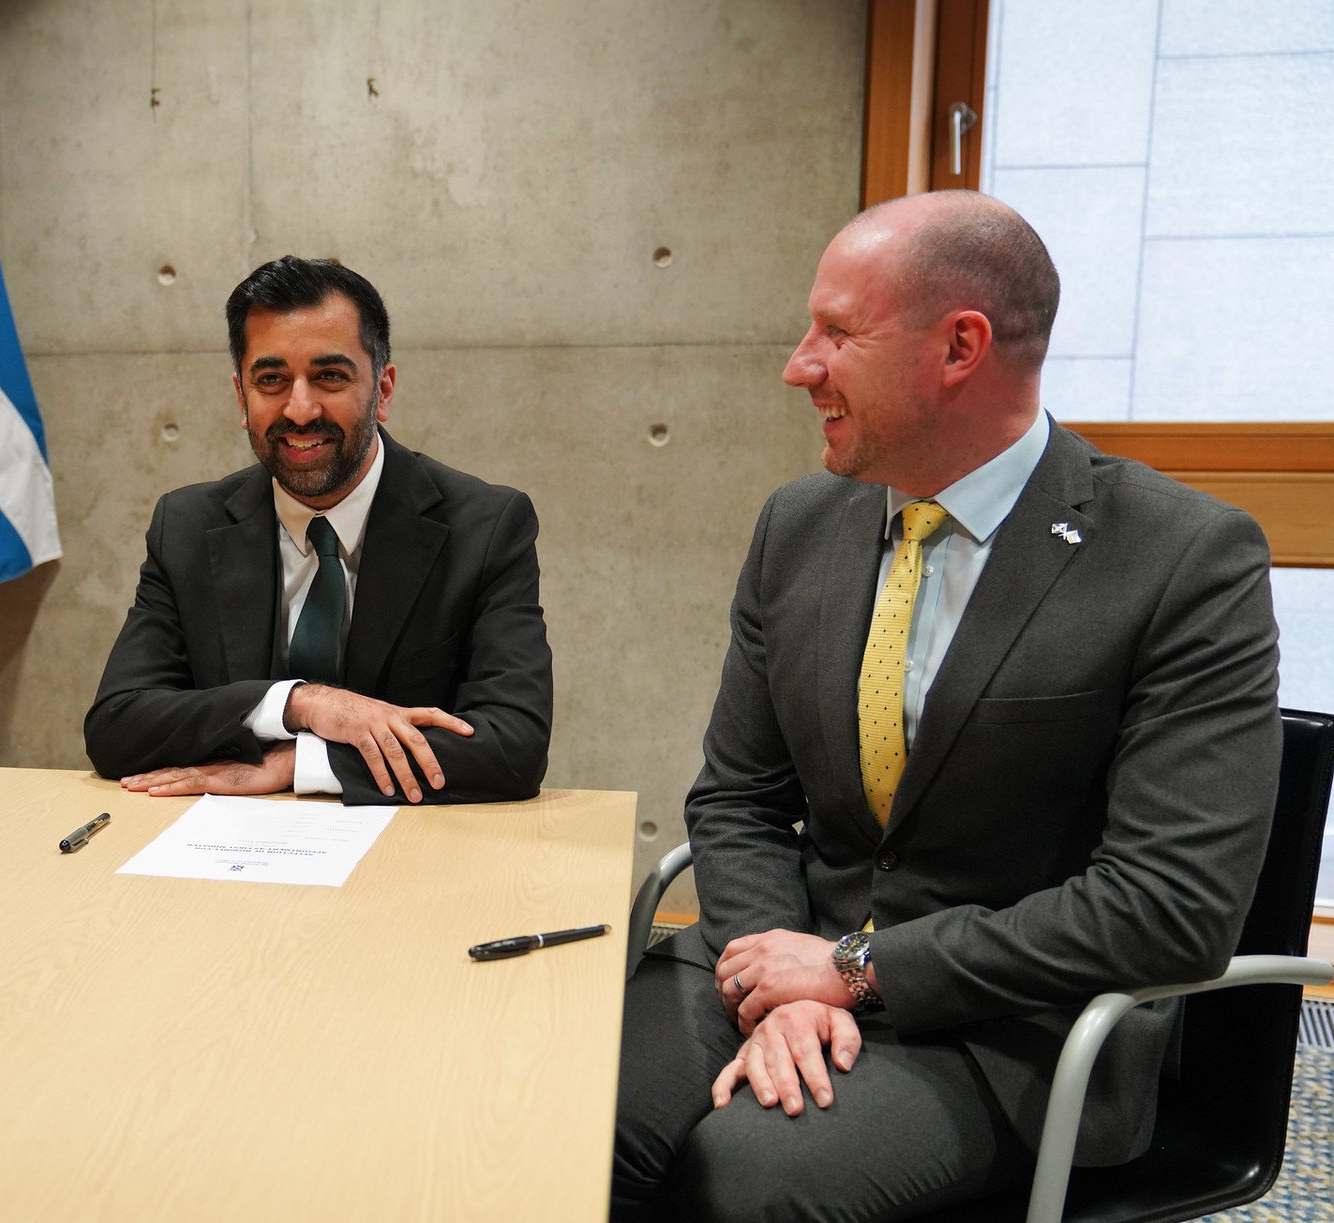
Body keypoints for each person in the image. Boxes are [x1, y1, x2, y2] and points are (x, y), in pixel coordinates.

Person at [612, 191, 1281, 1220]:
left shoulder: (1181, 558)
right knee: (555, 1109)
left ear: (959, 345)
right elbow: (740, 796)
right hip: (778, 950)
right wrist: (790, 974)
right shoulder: (799, 524)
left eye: (837, 331)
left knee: (736, 1180)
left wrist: (858, 969)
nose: (799, 364)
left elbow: (1168, 905)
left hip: (1004, 1028)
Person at [85, 256, 552, 805]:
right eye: (272, 380)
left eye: (330, 376)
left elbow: (513, 746)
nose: (300, 409)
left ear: (384, 389)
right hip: (229, 855)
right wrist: (299, 704)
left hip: (418, 855)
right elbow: (118, 725)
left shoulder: (486, 527)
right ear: (241, 397)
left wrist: (300, 763)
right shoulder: (187, 525)